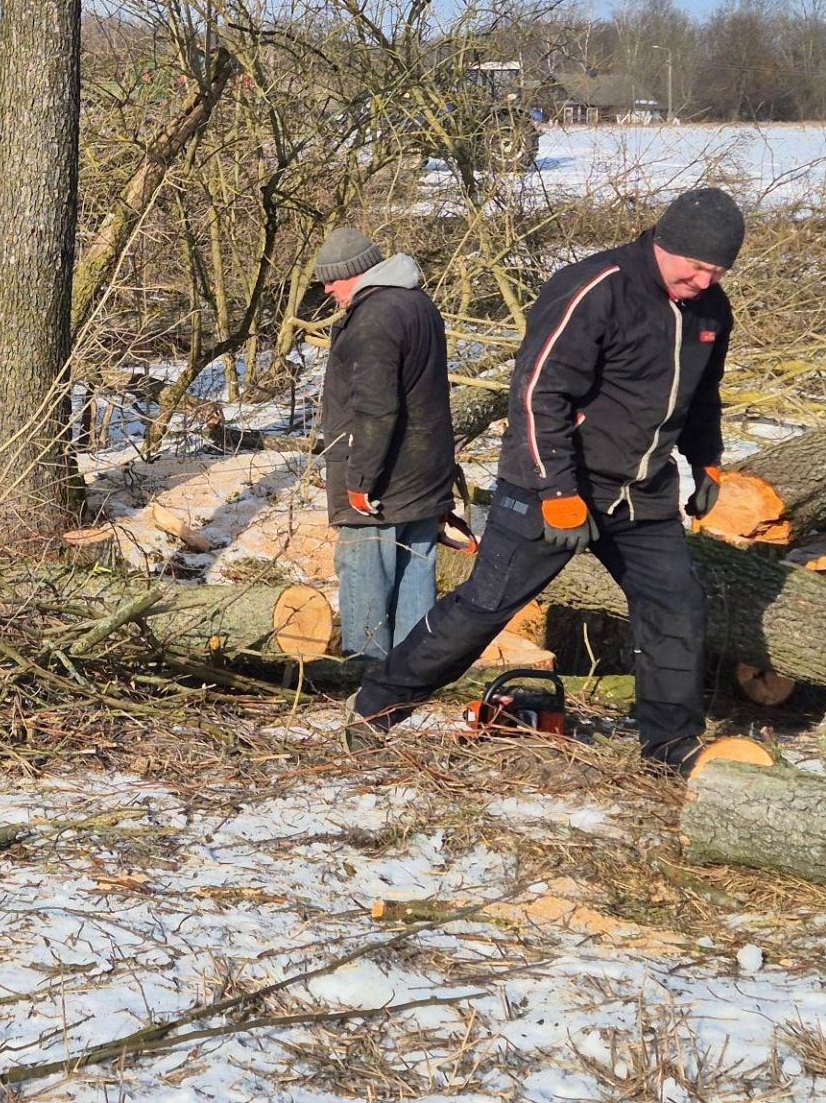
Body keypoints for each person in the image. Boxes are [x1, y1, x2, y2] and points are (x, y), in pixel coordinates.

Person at [345, 187, 746, 773]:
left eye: (717, 271)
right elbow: (537, 394)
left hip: (640, 491)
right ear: (665, 243)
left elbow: (702, 394)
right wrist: (558, 491)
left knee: (676, 607)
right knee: (486, 605)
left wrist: (706, 459)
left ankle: (669, 745)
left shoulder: (710, 310)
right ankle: (377, 705)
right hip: (552, 483)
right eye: (696, 266)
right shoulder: (596, 288)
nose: (704, 281)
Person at [313, 226, 458, 661]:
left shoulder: (373, 318)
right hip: (423, 477)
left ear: (355, 272)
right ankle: (413, 679)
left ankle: (366, 682)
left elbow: (376, 409)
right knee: (416, 580)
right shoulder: (418, 304)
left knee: (366, 581)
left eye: (331, 279)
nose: (326, 288)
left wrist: (359, 480)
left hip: (383, 488)